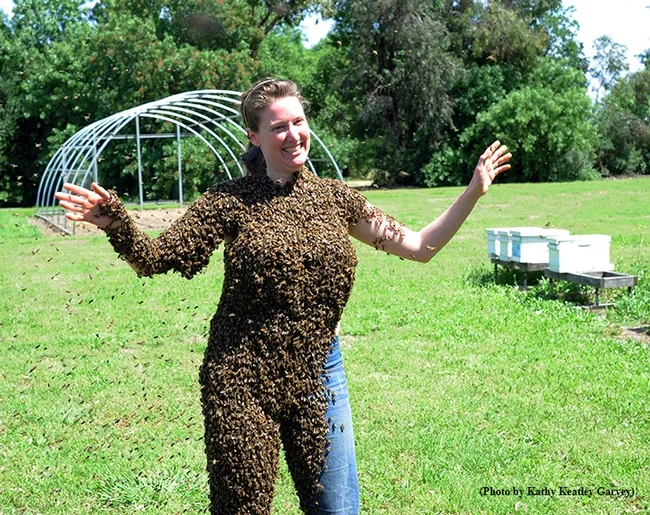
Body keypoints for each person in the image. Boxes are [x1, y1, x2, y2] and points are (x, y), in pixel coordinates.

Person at [55, 78, 511, 515]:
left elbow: (419, 247)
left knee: (337, 509)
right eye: (278, 127)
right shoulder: (229, 201)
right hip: (241, 376)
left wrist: (473, 190)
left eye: (298, 121)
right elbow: (156, 258)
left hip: (320, 372)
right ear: (254, 136)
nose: (293, 134)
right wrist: (116, 223)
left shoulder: (335, 199)